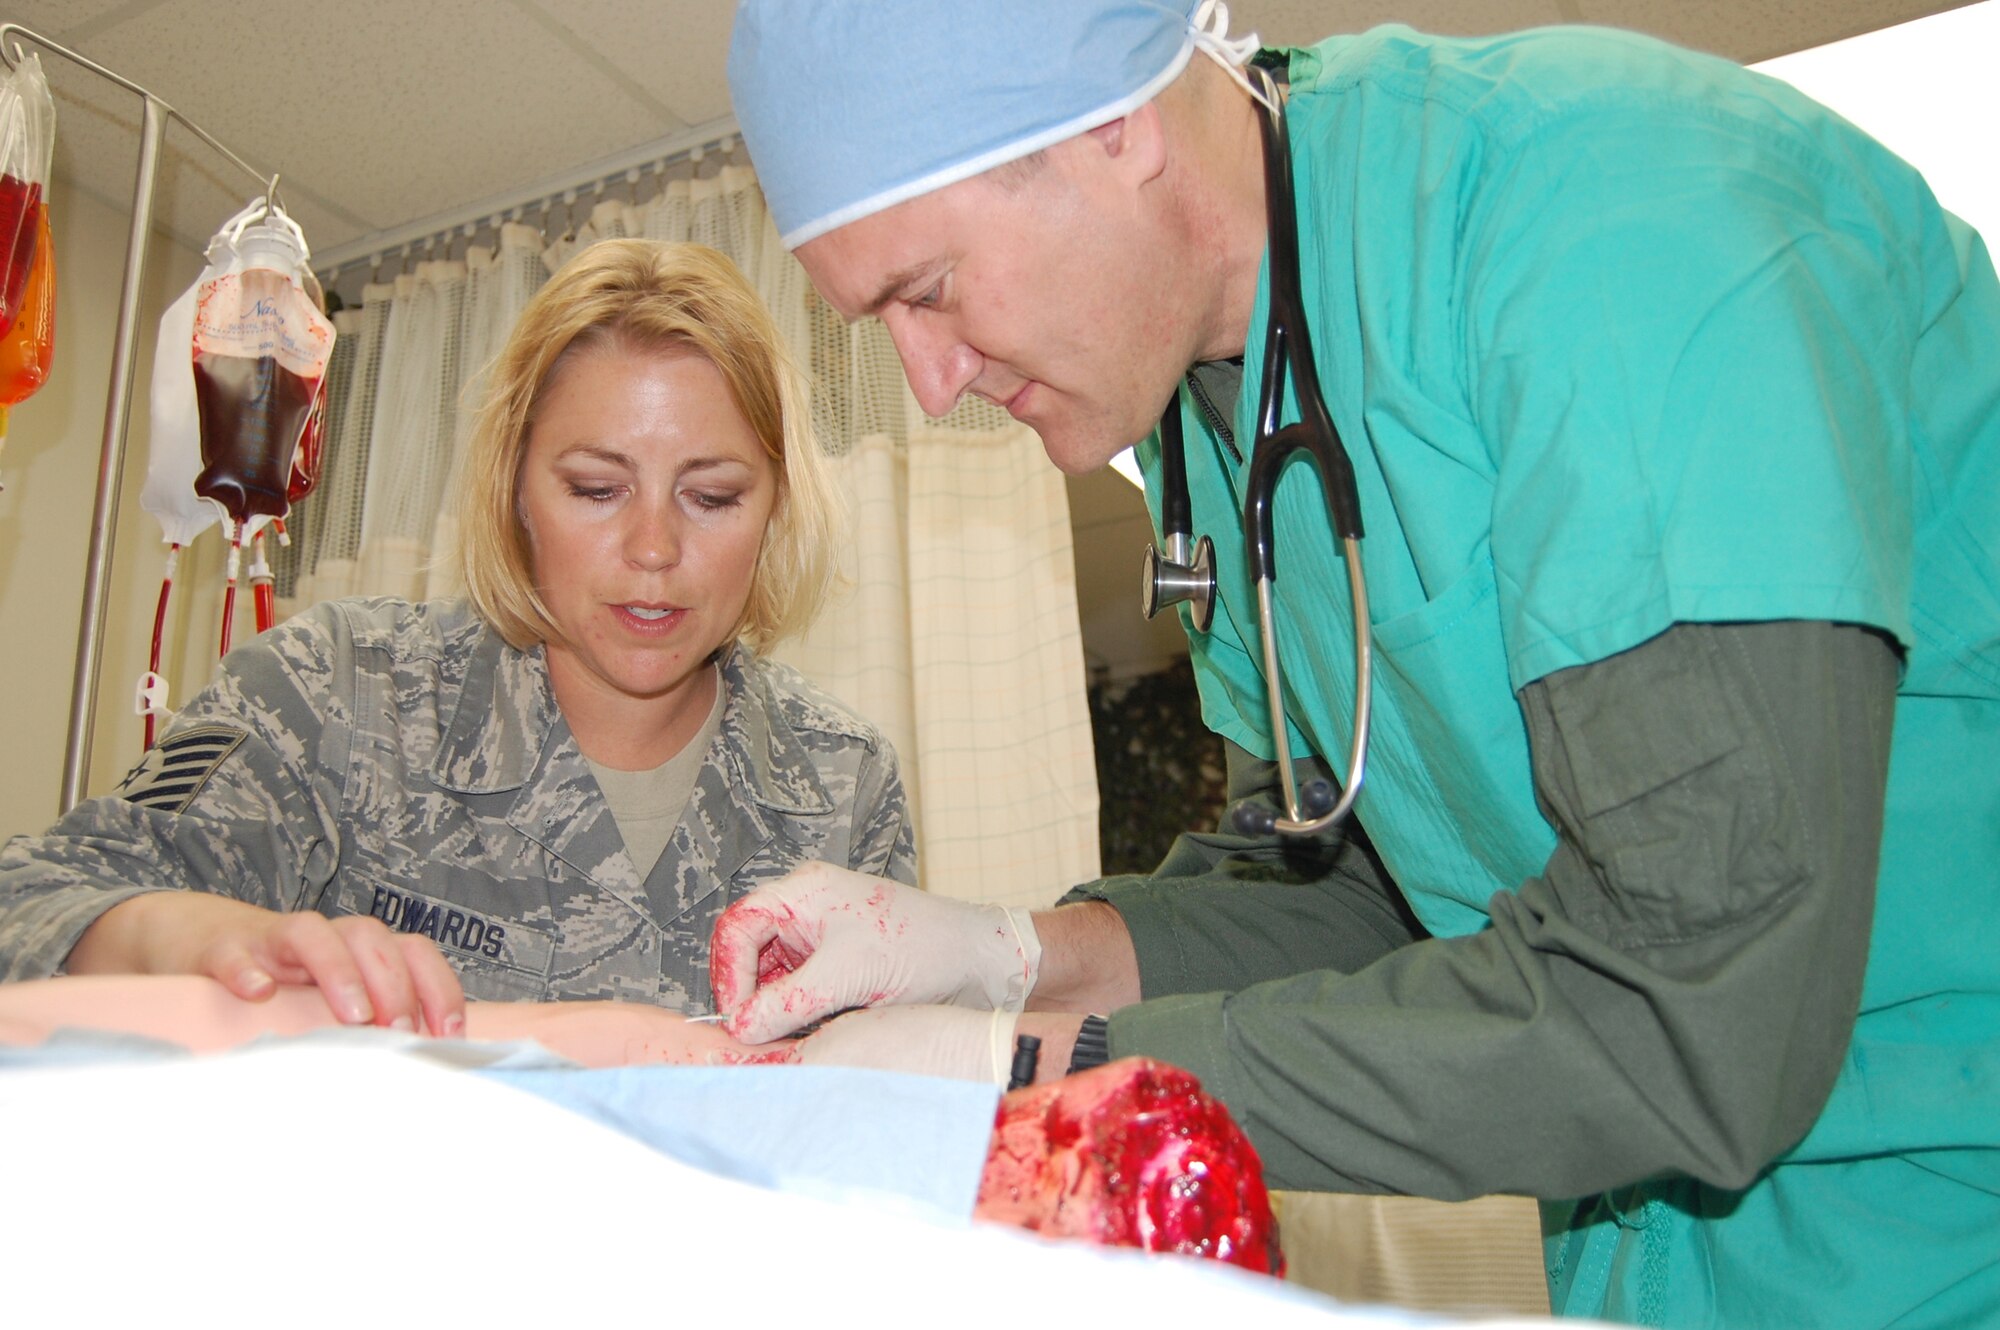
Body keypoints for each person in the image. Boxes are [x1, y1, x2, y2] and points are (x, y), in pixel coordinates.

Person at [712, 3, 2000, 1326]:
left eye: (927, 290)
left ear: (1109, 123)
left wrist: (1049, 1067)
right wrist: (1016, 957)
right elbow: (1373, 882)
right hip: (1664, 1262)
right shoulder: (1206, 419)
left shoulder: (1619, 236)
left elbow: (1696, 1009)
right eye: (883, 325)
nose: (928, 385)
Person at [0, 239, 916, 1036]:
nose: (653, 549)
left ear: (776, 510)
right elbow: (28, 903)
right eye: (597, 490)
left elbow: (891, 1098)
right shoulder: (340, 694)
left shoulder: (842, 786)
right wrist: (196, 935)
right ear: (517, 492)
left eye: (712, 497)